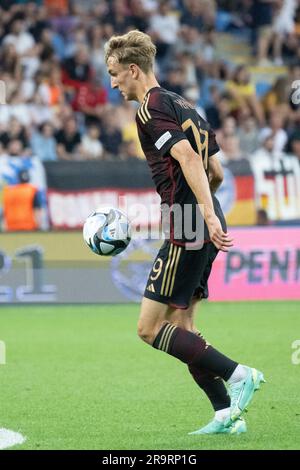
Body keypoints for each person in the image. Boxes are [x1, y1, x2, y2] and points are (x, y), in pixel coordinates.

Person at [104, 30, 265, 435]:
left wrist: (201, 215)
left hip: (187, 223)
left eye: (115, 74)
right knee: (184, 327)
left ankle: (239, 374)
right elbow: (216, 170)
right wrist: (211, 214)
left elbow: (188, 157)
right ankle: (226, 416)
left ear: (133, 70)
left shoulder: (149, 109)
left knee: (149, 328)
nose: (113, 84)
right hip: (204, 218)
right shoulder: (182, 103)